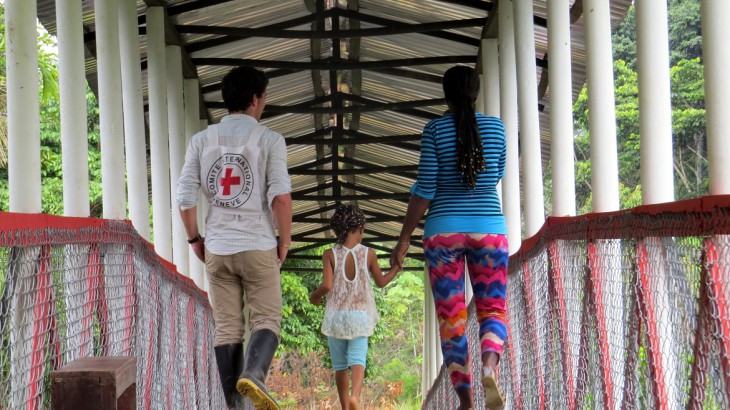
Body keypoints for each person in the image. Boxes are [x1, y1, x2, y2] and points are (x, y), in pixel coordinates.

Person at [390, 65, 508, 410]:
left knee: (452, 318)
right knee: (493, 308)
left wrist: (404, 238)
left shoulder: (435, 130)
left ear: (446, 95)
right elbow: (495, 176)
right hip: (489, 230)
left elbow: (426, 188)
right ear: (476, 92)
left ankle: (467, 401)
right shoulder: (497, 129)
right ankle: (488, 367)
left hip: (442, 232)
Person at [176, 66, 292, 410]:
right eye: (264, 96)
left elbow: (184, 198)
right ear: (256, 99)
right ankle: (255, 374)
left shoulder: (201, 141)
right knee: (267, 319)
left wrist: (195, 240)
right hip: (258, 244)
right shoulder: (269, 140)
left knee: (226, 328)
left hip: (218, 248)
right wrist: (283, 243)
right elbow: (281, 198)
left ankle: (234, 405)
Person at [309, 204, 399, 410]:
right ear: (360, 229)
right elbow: (381, 282)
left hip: (336, 317)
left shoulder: (329, 254)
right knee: (358, 358)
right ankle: (355, 397)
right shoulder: (369, 253)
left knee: (340, 365)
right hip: (360, 315)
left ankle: (344, 406)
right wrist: (396, 267)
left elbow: (327, 285)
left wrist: (314, 297)